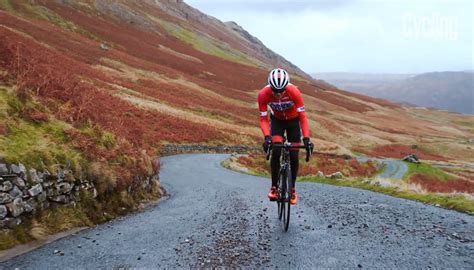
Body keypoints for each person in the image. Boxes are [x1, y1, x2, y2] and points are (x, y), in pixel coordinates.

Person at [258, 68, 313, 205]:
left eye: (281, 90)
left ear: (286, 86)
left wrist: (306, 138)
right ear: (270, 87)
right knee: (276, 150)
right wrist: (266, 137)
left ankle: (292, 188)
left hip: (293, 122)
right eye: (275, 91)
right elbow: (264, 119)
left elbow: (303, 117)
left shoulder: (294, 91)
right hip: (277, 122)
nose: (278, 94)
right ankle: (274, 188)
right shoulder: (263, 95)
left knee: (294, 155)